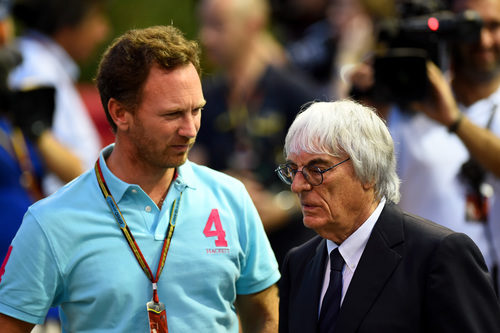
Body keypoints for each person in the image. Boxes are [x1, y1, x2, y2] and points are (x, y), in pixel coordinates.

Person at [0, 25, 280, 332]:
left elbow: (266, 316)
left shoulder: (230, 197)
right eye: (172, 114)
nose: (190, 129)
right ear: (120, 114)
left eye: (196, 110)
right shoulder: (51, 222)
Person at [277, 99, 500, 332]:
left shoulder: (439, 255)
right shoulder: (299, 263)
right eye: (293, 170)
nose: (297, 186)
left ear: (369, 173)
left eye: (317, 170)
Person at [195, 0, 318, 267]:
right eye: (204, 25)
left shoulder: (296, 93)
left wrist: (284, 206)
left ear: (253, 25)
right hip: (224, 254)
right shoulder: (202, 97)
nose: (206, 37)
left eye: (218, 25)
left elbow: (334, 172)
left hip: (293, 253)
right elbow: (186, 172)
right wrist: (221, 187)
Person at [8, 0, 110, 194]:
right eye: (95, 17)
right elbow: (40, 158)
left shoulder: (41, 62)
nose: (102, 31)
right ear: (68, 20)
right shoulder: (35, 67)